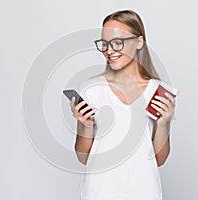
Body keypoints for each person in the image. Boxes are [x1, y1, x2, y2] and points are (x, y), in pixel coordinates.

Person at [70, 10, 176, 200]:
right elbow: (84, 158)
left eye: (118, 42)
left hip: (145, 193)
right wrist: (86, 127)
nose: (109, 50)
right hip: (99, 193)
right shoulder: (91, 90)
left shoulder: (160, 92)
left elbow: (159, 159)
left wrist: (163, 123)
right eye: (104, 43)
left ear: (139, 42)